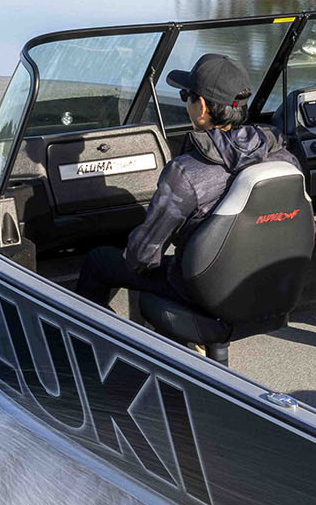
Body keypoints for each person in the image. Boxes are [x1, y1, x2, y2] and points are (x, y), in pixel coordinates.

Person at [76, 52, 296, 312]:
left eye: (185, 96)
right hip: (268, 283)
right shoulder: (284, 158)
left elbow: (143, 257)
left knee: (98, 261)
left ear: (202, 107)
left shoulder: (186, 172)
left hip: (199, 290)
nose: (185, 103)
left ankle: (104, 344)